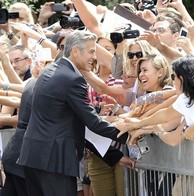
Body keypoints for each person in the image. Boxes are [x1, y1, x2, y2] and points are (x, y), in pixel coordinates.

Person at [17, 30, 130, 196]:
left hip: (34, 157)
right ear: (75, 51)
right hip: (54, 161)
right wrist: (130, 136)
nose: (94, 57)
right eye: (91, 51)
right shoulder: (71, 78)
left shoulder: (49, 72)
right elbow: (93, 122)